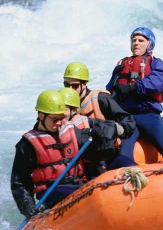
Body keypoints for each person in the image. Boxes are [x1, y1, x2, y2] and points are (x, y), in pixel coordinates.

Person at [10, 90, 122, 220]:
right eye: (55, 119)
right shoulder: (27, 145)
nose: (59, 123)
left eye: (61, 118)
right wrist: (27, 206)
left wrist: (101, 138)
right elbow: (19, 181)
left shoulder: (70, 130)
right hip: (52, 192)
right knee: (83, 192)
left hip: (78, 184)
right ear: (41, 116)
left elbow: (95, 152)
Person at [106, 27, 163, 162]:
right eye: (134, 40)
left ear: (149, 44)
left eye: (141, 40)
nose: (136, 43)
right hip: (127, 118)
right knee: (124, 155)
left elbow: (156, 82)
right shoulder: (122, 65)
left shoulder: (157, 63)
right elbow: (110, 89)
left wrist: (132, 88)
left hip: (148, 115)